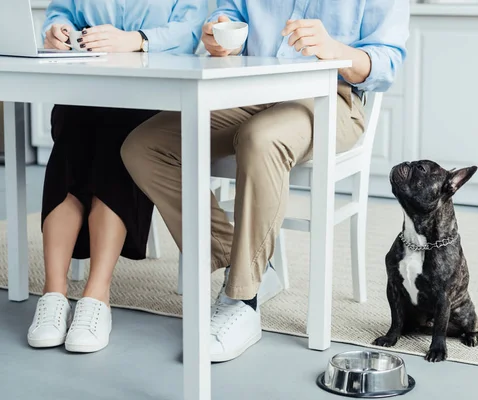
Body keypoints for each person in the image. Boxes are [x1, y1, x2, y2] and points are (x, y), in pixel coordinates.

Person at [122, 0, 409, 362]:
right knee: (144, 146)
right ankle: (246, 263)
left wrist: (335, 50)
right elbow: (227, 15)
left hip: (329, 97)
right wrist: (221, 33)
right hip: (246, 88)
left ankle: (242, 298)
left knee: (260, 138)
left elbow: (387, 63)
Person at [27, 0, 206, 353]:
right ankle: (54, 293)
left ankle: (97, 294)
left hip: (156, 91)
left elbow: (192, 28)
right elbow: (64, 12)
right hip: (88, 85)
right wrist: (57, 31)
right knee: (73, 134)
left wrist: (138, 39)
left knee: (120, 136)